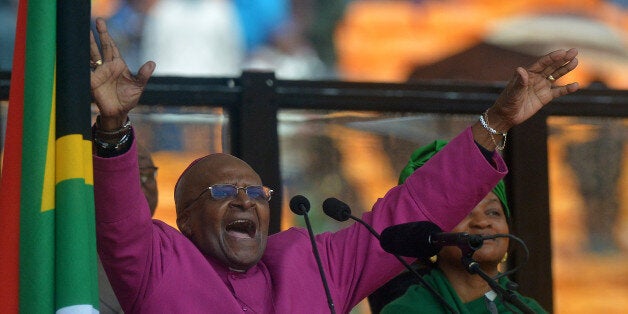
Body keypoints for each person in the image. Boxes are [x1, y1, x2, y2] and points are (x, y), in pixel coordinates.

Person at [89, 16, 579, 312]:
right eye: (222, 193)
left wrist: (495, 122)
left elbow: (407, 209)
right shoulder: (158, 262)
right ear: (186, 221)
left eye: (256, 193)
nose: (245, 200)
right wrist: (112, 127)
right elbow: (120, 224)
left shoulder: (312, 267)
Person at [369, 140, 546, 314]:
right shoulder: (405, 310)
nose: (482, 222)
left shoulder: (528, 309)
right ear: (431, 236)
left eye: (493, 212)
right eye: (463, 213)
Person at [98, 143, 159, 314]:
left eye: (146, 174)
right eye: (131, 175)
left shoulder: (176, 250)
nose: (139, 184)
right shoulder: (74, 259)